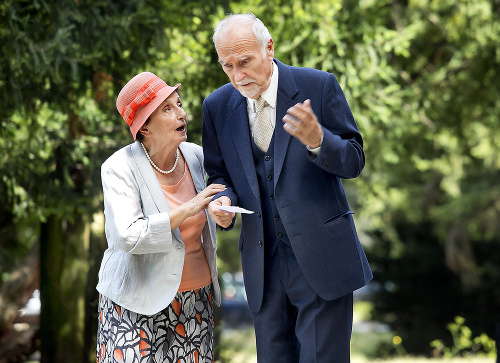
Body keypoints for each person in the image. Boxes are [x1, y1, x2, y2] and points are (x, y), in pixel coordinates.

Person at [202, 13, 372, 362]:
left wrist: (320, 140)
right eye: (227, 66)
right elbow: (220, 176)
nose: (237, 76)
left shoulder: (318, 86)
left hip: (323, 261)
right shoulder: (216, 106)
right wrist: (221, 201)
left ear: (269, 47)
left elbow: (354, 160)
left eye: (244, 62)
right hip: (263, 269)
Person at [96, 72, 224, 363]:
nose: (182, 114)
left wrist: (222, 213)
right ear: (145, 128)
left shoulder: (196, 157)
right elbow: (127, 235)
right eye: (168, 109)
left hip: (195, 301)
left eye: (178, 104)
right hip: (133, 303)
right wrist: (188, 208)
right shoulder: (118, 168)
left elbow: (218, 201)